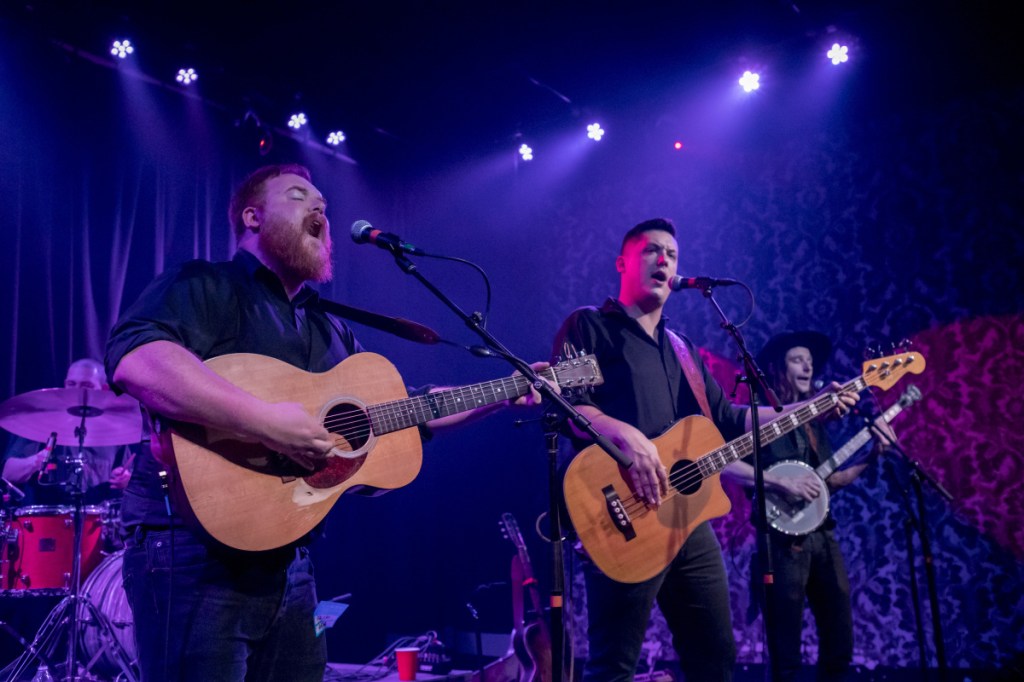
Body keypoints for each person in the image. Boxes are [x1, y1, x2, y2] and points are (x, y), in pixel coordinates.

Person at [104, 163, 548, 682]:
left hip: (291, 566)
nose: (321, 208)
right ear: (252, 216)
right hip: (192, 552)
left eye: (324, 204)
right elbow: (134, 357)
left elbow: (406, 414)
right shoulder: (205, 284)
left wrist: (503, 391)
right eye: (299, 197)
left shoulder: (330, 328)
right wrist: (264, 422)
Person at [551, 219, 858, 682]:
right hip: (620, 511)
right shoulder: (591, 326)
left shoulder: (681, 349)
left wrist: (813, 407)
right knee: (613, 665)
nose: (664, 261)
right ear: (622, 263)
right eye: (652, 251)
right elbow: (566, 402)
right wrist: (618, 431)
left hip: (684, 522)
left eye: (672, 256)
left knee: (716, 655)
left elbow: (733, 420)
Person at [723, 331, 886, 682]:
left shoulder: (813, 423)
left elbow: (830, 480)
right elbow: (723, 463)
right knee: (786, 656)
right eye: (798, 359)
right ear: (778, 369)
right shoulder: (758, 416)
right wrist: (782, 481)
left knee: (840, 644)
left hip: (823, 536)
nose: (808, 365)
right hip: (779, 544)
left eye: (810, 361)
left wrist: (872, 454)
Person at [1, 358, 134, 507]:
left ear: (103, 389)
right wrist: (36, 461)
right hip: (48, 520)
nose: (76, 391)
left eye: (86, 386)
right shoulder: (41, 424)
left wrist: (126, 481)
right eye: (71, 384)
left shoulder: (116, 432)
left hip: (97, 523)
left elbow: (133, 482)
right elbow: (7, 473)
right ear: (65, 384)